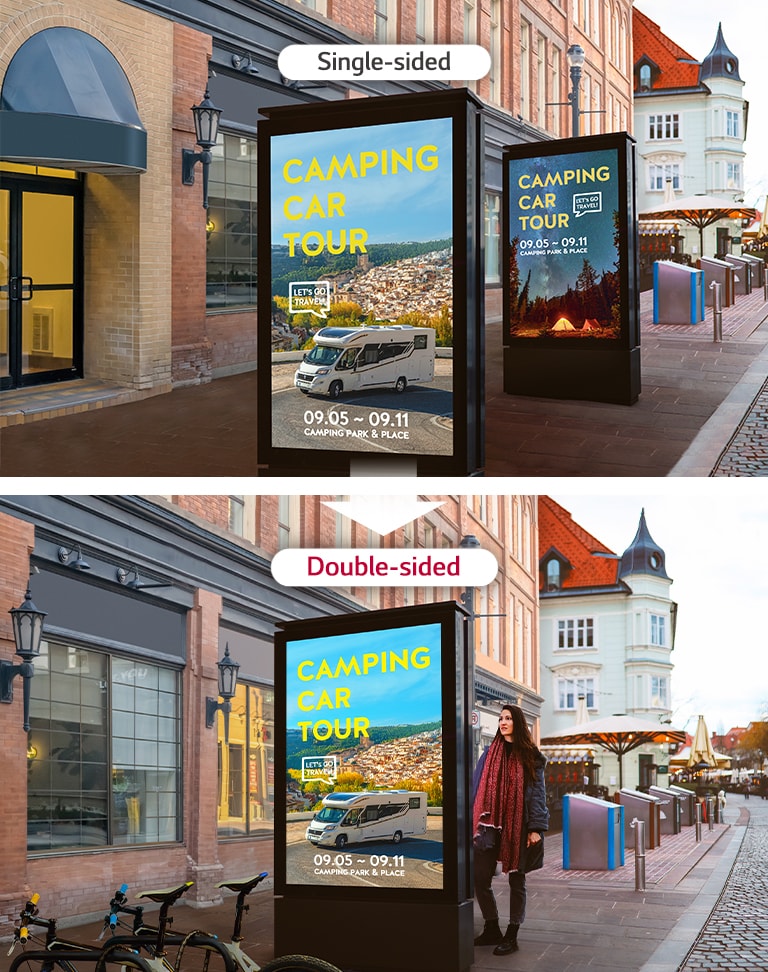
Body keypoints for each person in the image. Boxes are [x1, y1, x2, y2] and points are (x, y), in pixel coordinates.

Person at [472, 703, 549, 956]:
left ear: (518, 722)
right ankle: (492, 926)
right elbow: (477, 787)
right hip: (490, 825)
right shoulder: (489, 753)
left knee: (517, 879)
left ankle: (512, 933)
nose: (503, 722)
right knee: (480, 876)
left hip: (519, 825)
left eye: (508, 718)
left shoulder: (530, 756)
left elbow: (537, 794)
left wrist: (536, 828)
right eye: (500, 718)